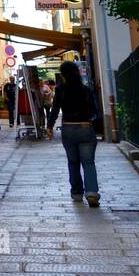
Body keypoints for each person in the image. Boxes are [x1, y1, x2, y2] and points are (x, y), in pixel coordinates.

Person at [46, 60, 100, 206]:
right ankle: (92, 193)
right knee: (88, 162)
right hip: (85, 128)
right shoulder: (86, 90)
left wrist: (49, 127)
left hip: (68, 129)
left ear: (63, 75)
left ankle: (77, 193)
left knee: (73, 162)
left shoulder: (60, 89)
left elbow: (55, 110)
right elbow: (95, 111)